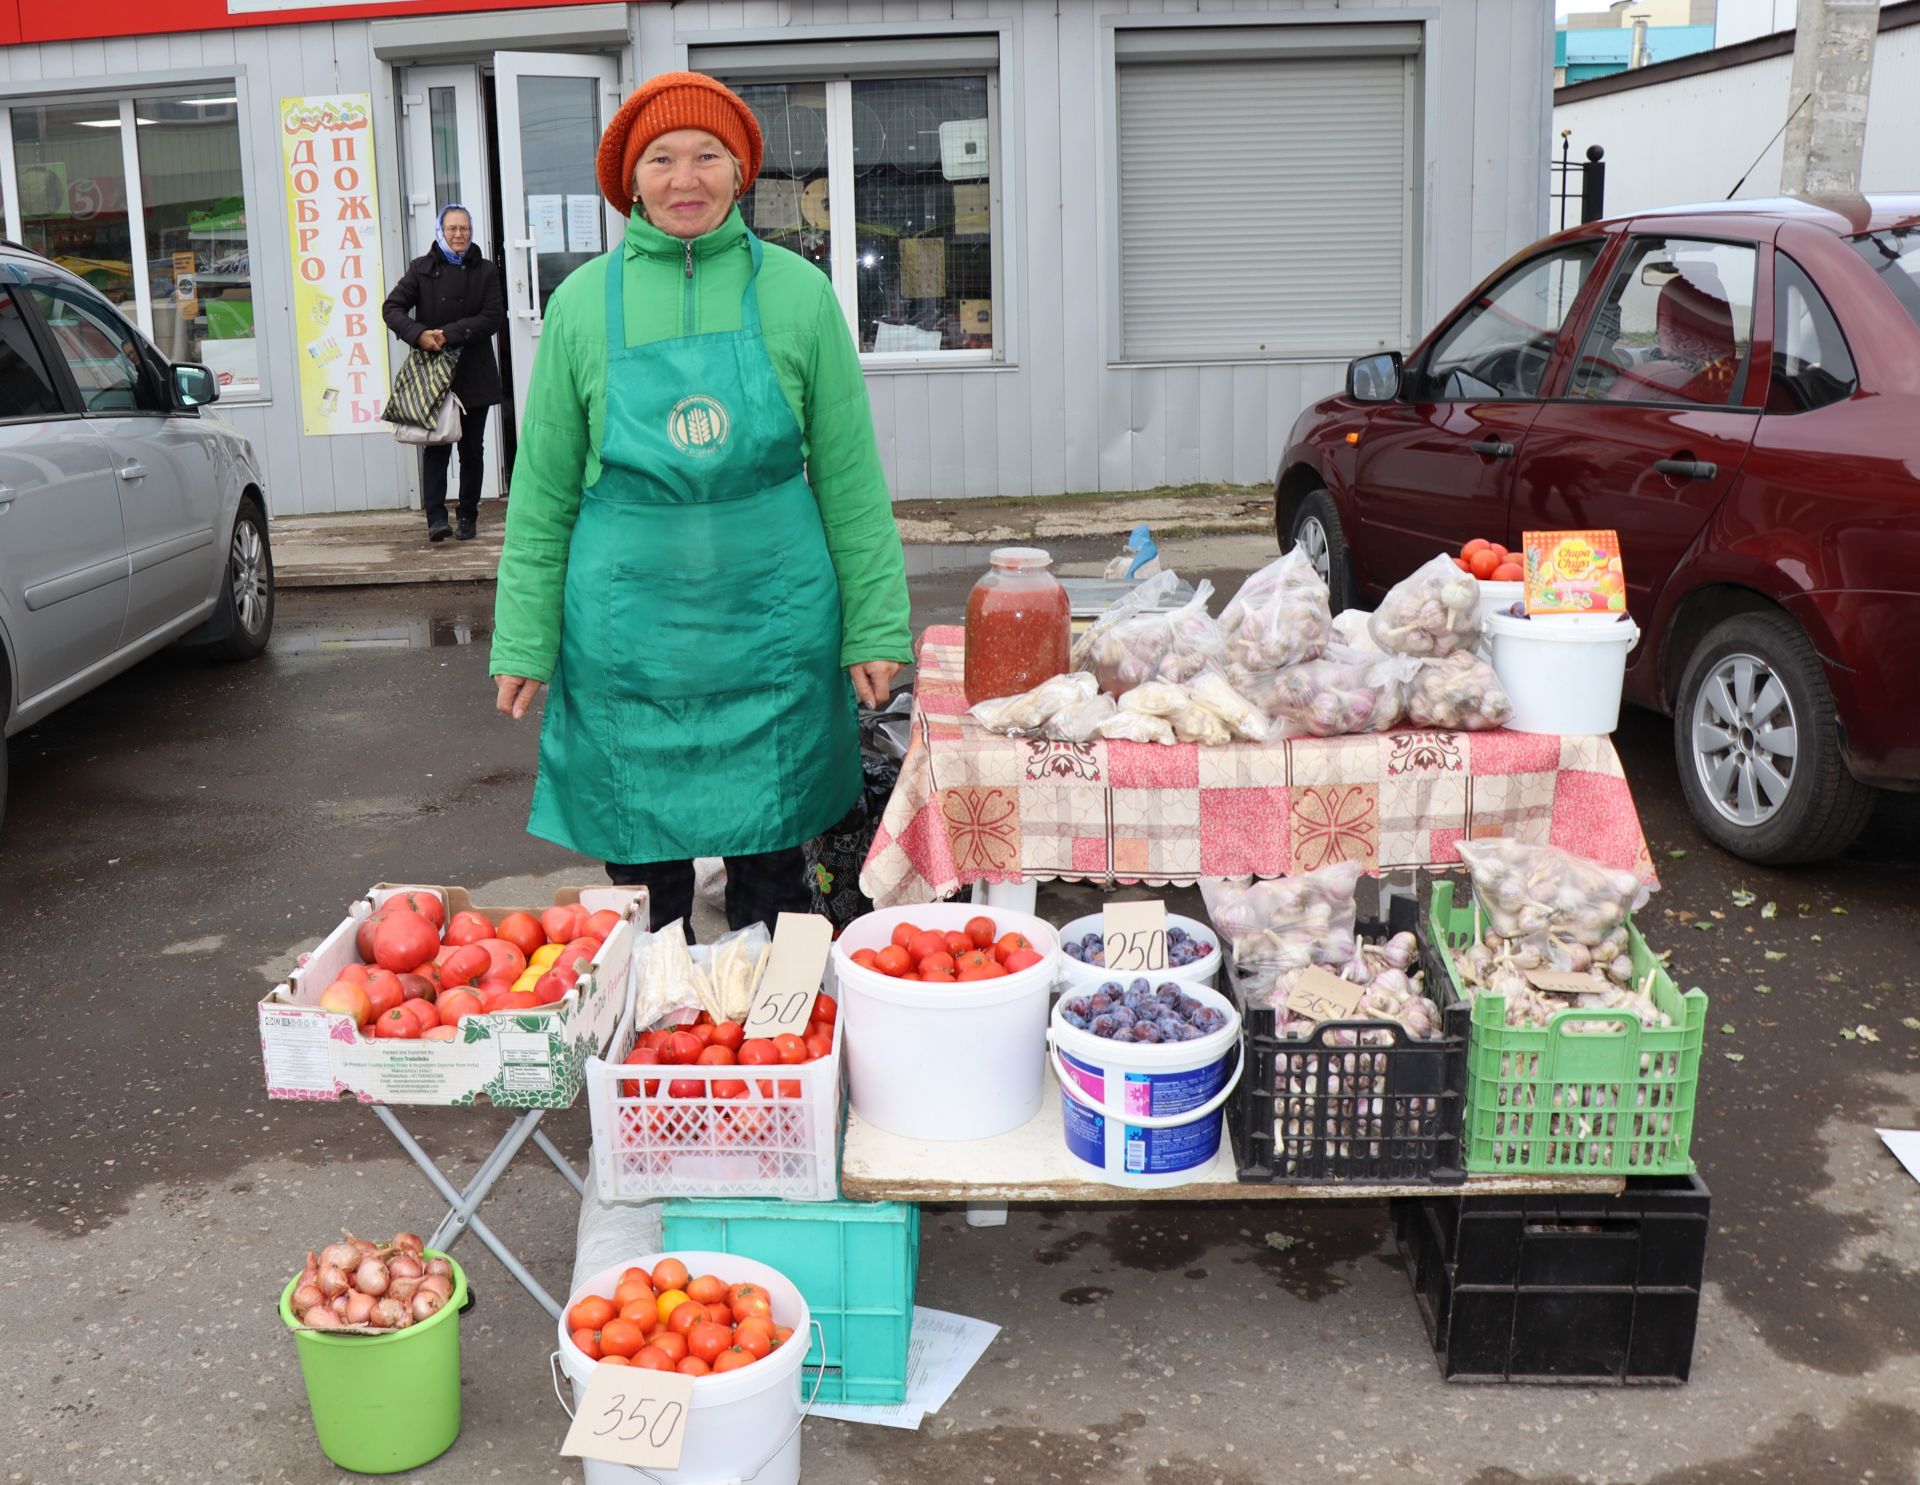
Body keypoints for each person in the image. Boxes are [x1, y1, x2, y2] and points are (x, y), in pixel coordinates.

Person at [488, 72, 912, 934]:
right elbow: (540, 498)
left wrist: (874, 623)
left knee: (773, 862)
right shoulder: (579, 306)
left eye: (707, 156)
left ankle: (769, 1037)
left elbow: (851, 481)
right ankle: (652, 1031)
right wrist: (523, 638)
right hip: (626, 636)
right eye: (663, 159)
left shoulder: (799, 295)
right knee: (644, 881)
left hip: (775, 624)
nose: (686, 178)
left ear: (739, 169)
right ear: (630, 179)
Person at [383, 204, 506, 542]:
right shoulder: (421, 269)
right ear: (440, 231)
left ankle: (468, 515)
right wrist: (419, 335)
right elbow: (391, 308)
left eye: (464, 228)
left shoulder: (485, 270)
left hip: (473, 371)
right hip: (433, 371)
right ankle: (435, 517)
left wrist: (450, 333)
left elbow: (493, 316)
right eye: (452, 228)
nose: (458, 235)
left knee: (472, 449)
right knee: (435, 445)